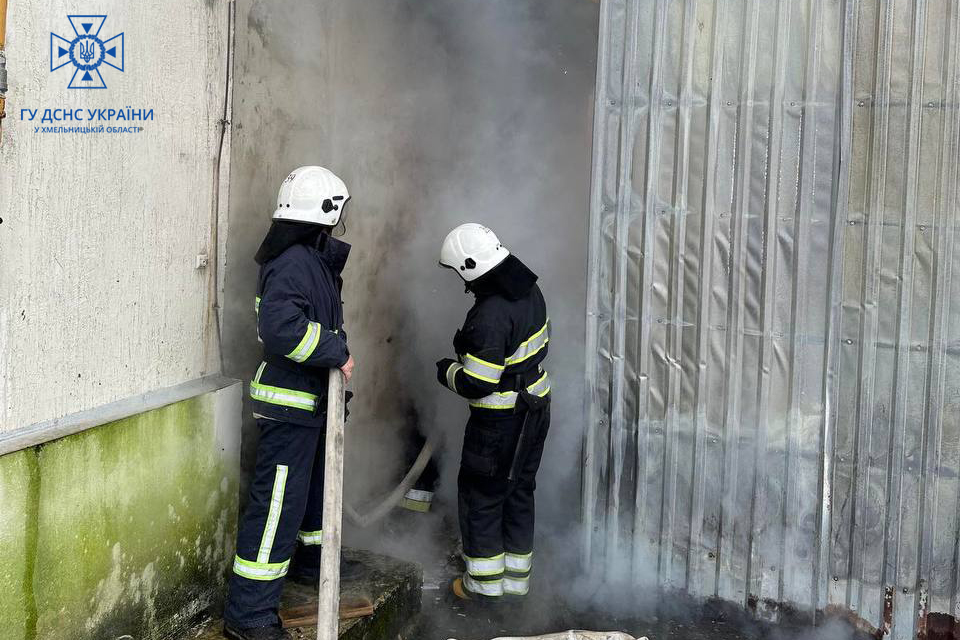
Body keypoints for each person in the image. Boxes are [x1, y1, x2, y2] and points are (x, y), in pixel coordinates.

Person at [223, 166, 357, 640]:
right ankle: (250, 614)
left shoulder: (307, 259)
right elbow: (280, 331)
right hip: (290, 404)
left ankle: (310, 563)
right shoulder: (294, 263)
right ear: (328, 212)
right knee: (277, 504)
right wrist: (336, 350)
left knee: (312, 492)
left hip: (309, 403)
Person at [435, 223, 551, 601]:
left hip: (501, 421)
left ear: (470, 268)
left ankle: (482, 589)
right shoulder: (529, 290)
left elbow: (477, 382)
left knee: (481, 497)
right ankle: (516, 585)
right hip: (535, 408)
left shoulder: (490, 315)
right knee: (518, 491)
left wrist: (446, 371)